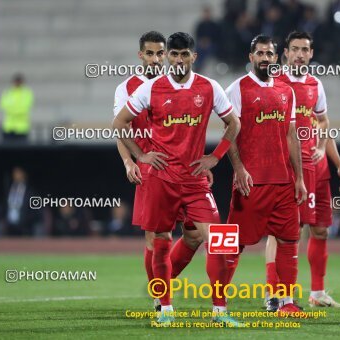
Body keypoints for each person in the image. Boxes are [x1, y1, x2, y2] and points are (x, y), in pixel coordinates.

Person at [113, 32, 241, 326]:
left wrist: (216, 156)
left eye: (185, 55)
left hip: (195, 180)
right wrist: (139, 157)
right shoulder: (152, 89)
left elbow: (234, 122)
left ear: (193, 57)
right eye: (174, 55)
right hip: (161, 178)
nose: (178, 60)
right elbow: (119, 122)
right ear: (168, 57)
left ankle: (220, 312)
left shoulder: (209, 87)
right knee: (159, 241)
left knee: (221, 241)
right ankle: (165, 309)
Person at [113, 31, 206, 312]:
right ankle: (160, 297)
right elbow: (120, 128)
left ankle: (161, 284)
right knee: (156, 237)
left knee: (195, 236)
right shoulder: (126, 87)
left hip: (185, 172)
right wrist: (131, 161)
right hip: (151, 170)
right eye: (150, 53)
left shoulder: (178, 85)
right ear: (140, 55)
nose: (155, 59)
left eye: (160, 53)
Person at [265, 31, 340, 310]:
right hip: (291, 169)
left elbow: (323, 122)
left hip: (319, 169)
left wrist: (336, 162)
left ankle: (317, 292)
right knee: (286, 232)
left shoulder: (316, 84)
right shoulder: (274, 82)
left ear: (311, 54)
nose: (300, 54)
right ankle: (273, 293)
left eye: (305, 49)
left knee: (321, 230)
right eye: (295, 49)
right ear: (285, 53)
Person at [224, 34, 307, 316]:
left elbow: (291, 135)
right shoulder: (237, 88)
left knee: (288, 241)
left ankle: (286, 303)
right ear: (251, 58)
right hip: (251, 182)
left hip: (283, 182)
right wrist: (239, 169)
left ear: (276, 57)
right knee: (233, 243)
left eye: (269, 54)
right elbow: (229, 134)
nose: (265, 58)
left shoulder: (286, 91)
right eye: (259, 54)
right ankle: (218, 303)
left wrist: (299, 179)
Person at [0, 74, 34, 143]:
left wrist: (12, 109)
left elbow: (25, 108)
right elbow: (2, 106)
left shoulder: (27, 93)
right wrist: (16, 109)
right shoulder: (7, 92)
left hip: (22, 128)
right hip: (8, 127)